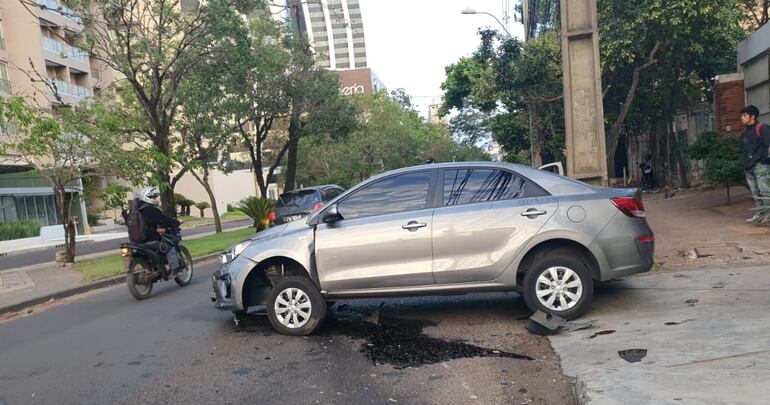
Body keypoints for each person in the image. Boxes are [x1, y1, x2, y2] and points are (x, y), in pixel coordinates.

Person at [135, 187, 184, 272]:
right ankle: (175, 270)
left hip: (136, 242)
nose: (155, 199)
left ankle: (157, 266)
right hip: (151, 240)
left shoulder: (135, 210)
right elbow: (164, 221)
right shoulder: (151, 210)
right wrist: (176, 222)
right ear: (148, 198)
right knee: (170, 246)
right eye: (153, 197)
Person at [739, 105, 770, 223]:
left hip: (760, 166)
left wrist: (761, 161)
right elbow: (743, 149)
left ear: (752, 116)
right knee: (755, 192)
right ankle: (760, 214)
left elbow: (768, 146)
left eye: (744, 115)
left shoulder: (763, 128)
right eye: (741, 116)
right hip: (748, 166)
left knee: (765, 191)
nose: (742, 118)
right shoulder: (745, 132)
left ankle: (767, 215)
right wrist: (744, 162)